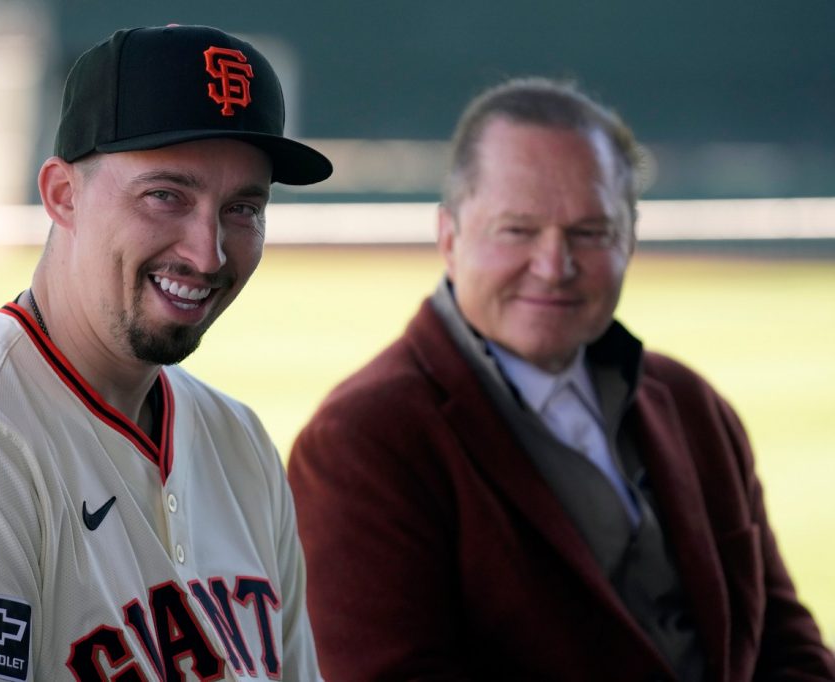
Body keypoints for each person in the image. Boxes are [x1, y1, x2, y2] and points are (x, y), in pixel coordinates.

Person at [0, 25, 332, 681]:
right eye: (165, 195)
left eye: (242, 208)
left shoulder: (240, 444)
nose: (208, 252)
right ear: (63, 194)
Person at [287, 78, 835, 681]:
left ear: (630, 238)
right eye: (518, 230)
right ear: (450, 236)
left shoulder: (692, 403)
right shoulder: (360, 441)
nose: (554, 267)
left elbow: (789, 648)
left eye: (589, 232)